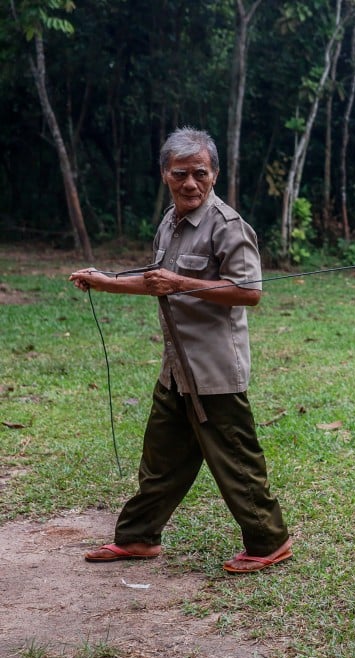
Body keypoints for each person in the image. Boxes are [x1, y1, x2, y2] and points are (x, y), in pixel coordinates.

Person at [69, 127, 291, 573]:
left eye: (200, 174)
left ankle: (270, 542)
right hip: (176, 369)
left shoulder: (229, 227)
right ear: (165, 175)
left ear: (214, 175)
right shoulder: (169, 223)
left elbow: (249, 293)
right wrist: (106, 281)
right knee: (161, 459)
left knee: (235, 460)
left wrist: (182, 283)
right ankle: (137, 538)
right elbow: (157, 281)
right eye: (180, 174)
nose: (190, 183)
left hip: (214, 371)